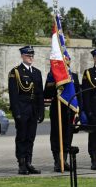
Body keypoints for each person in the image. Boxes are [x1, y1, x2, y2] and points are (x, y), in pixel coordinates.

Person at [8, 46, 44, 175]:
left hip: (33, 110)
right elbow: (13, 95)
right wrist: (16, 112)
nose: (31, 58)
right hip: (22, 110)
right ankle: (21, 163)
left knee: (30, 137)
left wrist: (41, 111)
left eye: (32, 55)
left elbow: (40, 94)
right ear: (22, 56)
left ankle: (29, 162)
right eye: (28, 55)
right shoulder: (16, 72)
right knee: (22, 137)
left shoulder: (37, 72)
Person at [43, 66, 80, 172]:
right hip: (57, 109)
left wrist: (78, 111)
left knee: (68, 135)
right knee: (56, 135)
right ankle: (57, 162)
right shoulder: (53, 76)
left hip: (70, 109)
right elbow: (47, 94)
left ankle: (64, 160)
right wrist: (53, 80)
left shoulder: (74, 76)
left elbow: (78, 94)